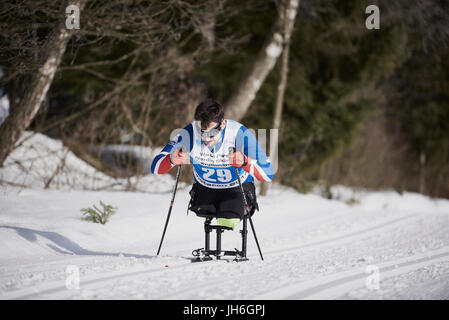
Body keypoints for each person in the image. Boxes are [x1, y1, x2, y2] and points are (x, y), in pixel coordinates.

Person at [150, 99, 274, 228]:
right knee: (202, 212)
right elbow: (155, 167)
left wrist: (245, 162)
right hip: (205, 188)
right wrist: (171, 159)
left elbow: (268, 174)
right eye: (201, 132)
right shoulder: (189, 133)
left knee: (228, 220)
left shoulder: (239, 134)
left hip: (237, 188)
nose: (205, 139)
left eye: (212, 133)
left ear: (223, 124)